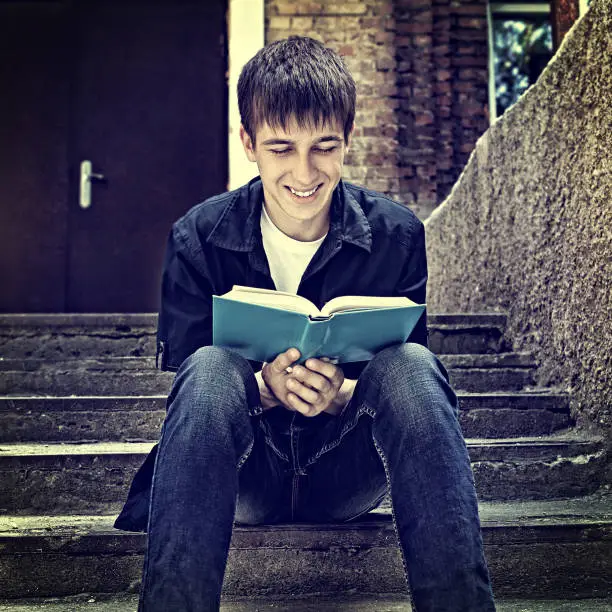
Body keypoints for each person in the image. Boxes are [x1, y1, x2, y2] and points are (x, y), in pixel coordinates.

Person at [114, 36, 496, 612]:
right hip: (245, 473)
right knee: (213, 366)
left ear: (347, 142)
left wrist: (340, 394)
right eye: (280, 147)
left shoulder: (397, 237)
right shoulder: (196, 237)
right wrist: (265, 389)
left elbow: (405, 389)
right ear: (249, 143)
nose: (303, 172)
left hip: (348, 472)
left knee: (415, 366)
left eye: (324, 147)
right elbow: (194, 390)